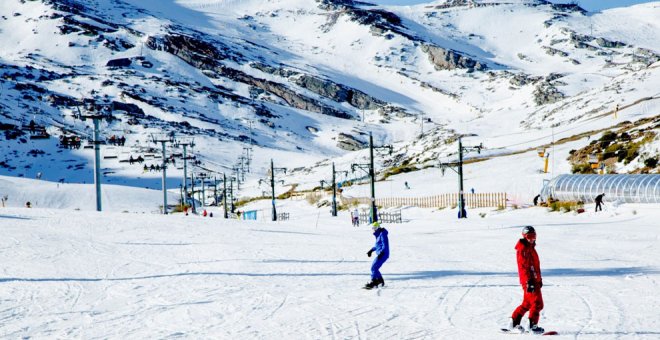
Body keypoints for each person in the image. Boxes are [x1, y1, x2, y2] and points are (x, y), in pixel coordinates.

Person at [507, 226, 544, 334]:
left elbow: (535, 266)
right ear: (524, 236)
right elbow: (523, 267)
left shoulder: (530, 248)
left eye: (534, 236)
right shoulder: (523, 249)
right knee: (538, 304)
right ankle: (532, 326)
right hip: (529, 281)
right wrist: (529, 281)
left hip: (533, 280)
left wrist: (539, 279)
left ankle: (513, 323)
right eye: (529, 237)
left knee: (527, 303)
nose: (532, 239)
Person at [364, 221, 389, 290]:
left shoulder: (382, 234)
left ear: (378, 227)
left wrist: (382, 252)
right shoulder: (379, 235)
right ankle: (380, 281)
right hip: (381, 253)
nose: (374, 229)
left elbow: (385, 244)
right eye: (373, 228)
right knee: (374, 267)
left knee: (374, 267)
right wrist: (371, 250)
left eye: (375, 228)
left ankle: (374, 281)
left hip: (383, 254)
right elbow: (377, 246)